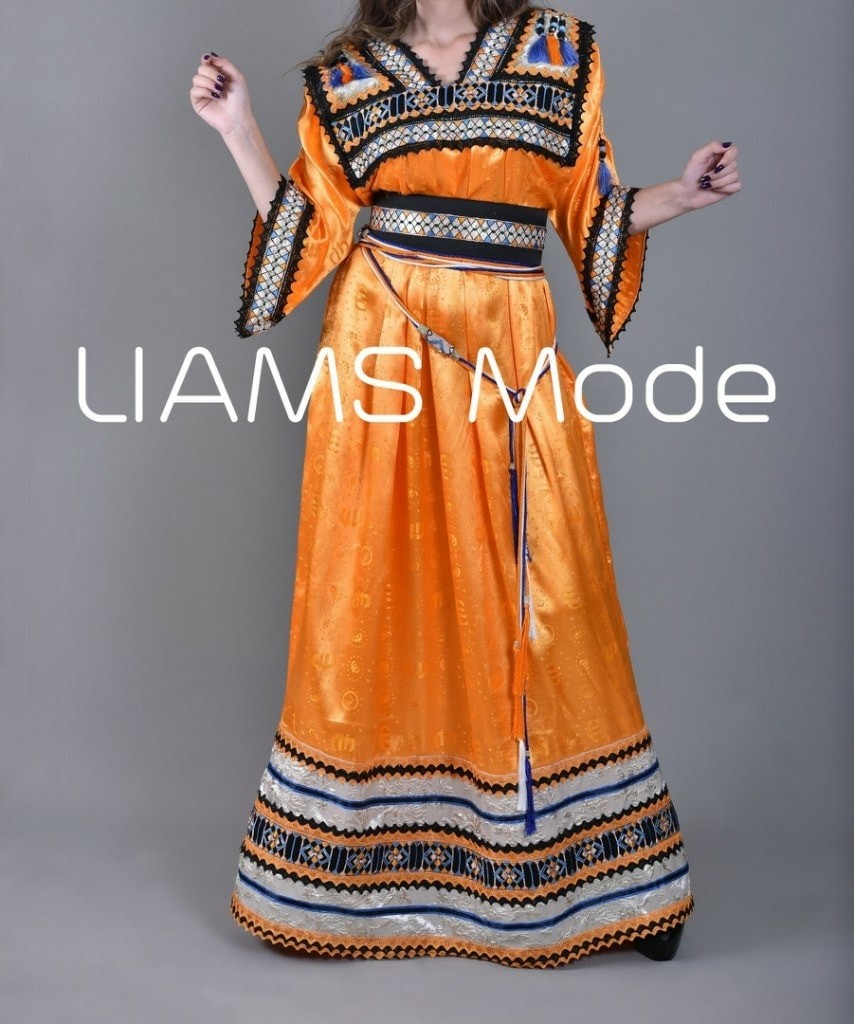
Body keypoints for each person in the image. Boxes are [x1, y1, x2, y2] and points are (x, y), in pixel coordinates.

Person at [189, 0, 740, 969]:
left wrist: (681, 197)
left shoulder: (559, 53)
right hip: (382, 356)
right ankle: (347, 878)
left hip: (511, 351)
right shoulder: (347, 79)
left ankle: (617, 881)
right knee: (374, 592)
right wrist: (238, 129)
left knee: (549, 593)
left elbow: (589, 207)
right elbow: (310, 230)